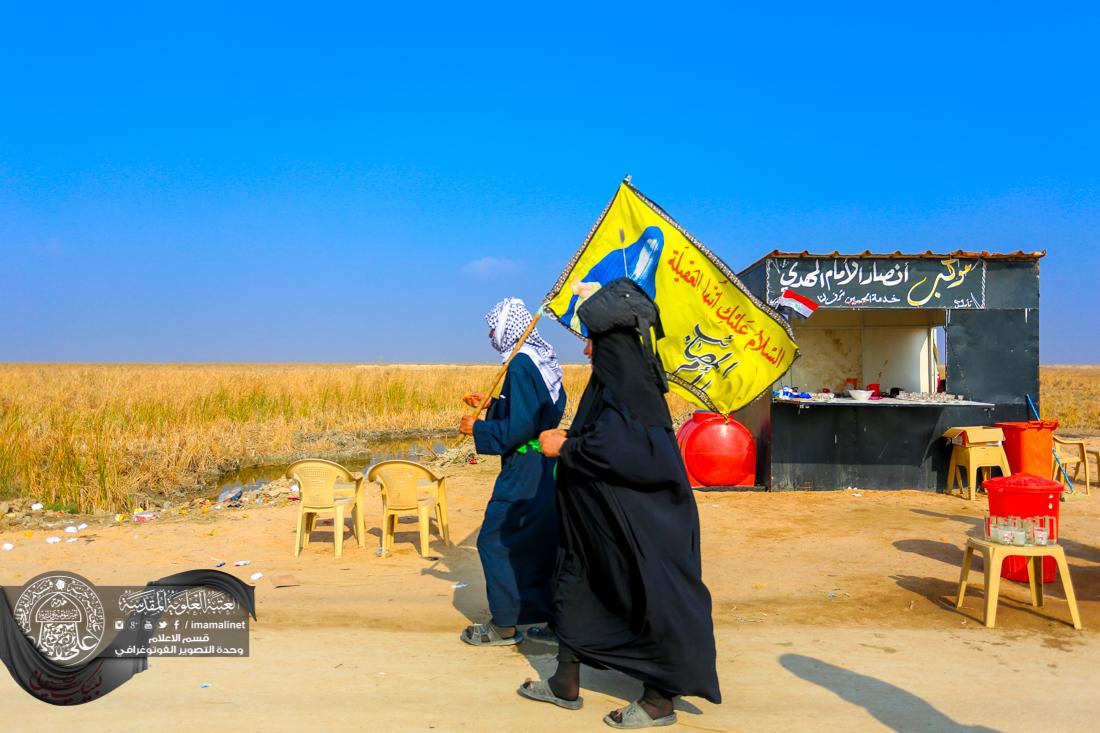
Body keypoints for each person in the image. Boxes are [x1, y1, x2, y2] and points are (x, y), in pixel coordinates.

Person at [517, 278, 721, 728]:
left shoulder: (631, 389)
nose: (586, 352)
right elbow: (606, 436)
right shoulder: (612, 386)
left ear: (611, 347)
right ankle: (564, 683)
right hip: (598, 525)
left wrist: (564, 448)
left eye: (591, 342)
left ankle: (658, 702)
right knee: (576, 587)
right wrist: (571, 440)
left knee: (652, 601)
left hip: (642, 530)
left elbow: (629, 450)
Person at [457, 297, 567, 646]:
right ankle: (550, 618)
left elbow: (519, 428)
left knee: (495, 538)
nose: (490, 334)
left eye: (493, 327)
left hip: (524, 465)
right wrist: (495, 404)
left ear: (508, 329)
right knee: (539, 539)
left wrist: (477, 429)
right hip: (546, 464)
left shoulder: (520, 364)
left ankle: (504, 624)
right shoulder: (541, 360)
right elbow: (543, 407)